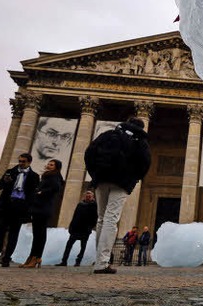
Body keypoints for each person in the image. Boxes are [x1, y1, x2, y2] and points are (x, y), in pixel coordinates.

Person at [84, 117, 151, 274]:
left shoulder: (108, 135)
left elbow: (89, 153)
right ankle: (102, 261)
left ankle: (99, 259)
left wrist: (95, 174)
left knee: (101, 218)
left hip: (101, 179)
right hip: (121, 183)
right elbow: (145, 163)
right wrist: (133, 179)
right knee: (111, 219)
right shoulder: (139, 141)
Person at [0, 153, 40, 267]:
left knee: (13, 234)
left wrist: (29, 208)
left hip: (20, 207)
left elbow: (33, 194)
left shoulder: (34, 176)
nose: (21, 163)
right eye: (20, 161)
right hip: (6, 205)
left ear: (29, 162)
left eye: (23, 161)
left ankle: (6, 258)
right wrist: (5, 181)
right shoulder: (10, 171)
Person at [20, 159, 64, 268]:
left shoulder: (55, 176)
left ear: (57, 167)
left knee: (40, 234)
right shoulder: (47, 175)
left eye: (52, 164)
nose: (49, 165)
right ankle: (32, 256)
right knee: (37, 234)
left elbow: (56, 188)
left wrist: (41, 192)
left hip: (44, 208)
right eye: (49, 164)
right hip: (38, 207)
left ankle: (36, 257)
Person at [56, 191, 97, 267]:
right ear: (84, 196)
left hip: (85, 229)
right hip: (76, 228)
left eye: (89, 196)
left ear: (92, 197)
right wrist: (71, 226)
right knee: (68, 245)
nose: (88, 197)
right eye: (87, 196)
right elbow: (75, 216)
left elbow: (95, 218)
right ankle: (64, 261)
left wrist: (90, 227)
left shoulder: (94, 206)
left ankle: (78, 261)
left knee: (83, 246)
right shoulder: (80, 204)